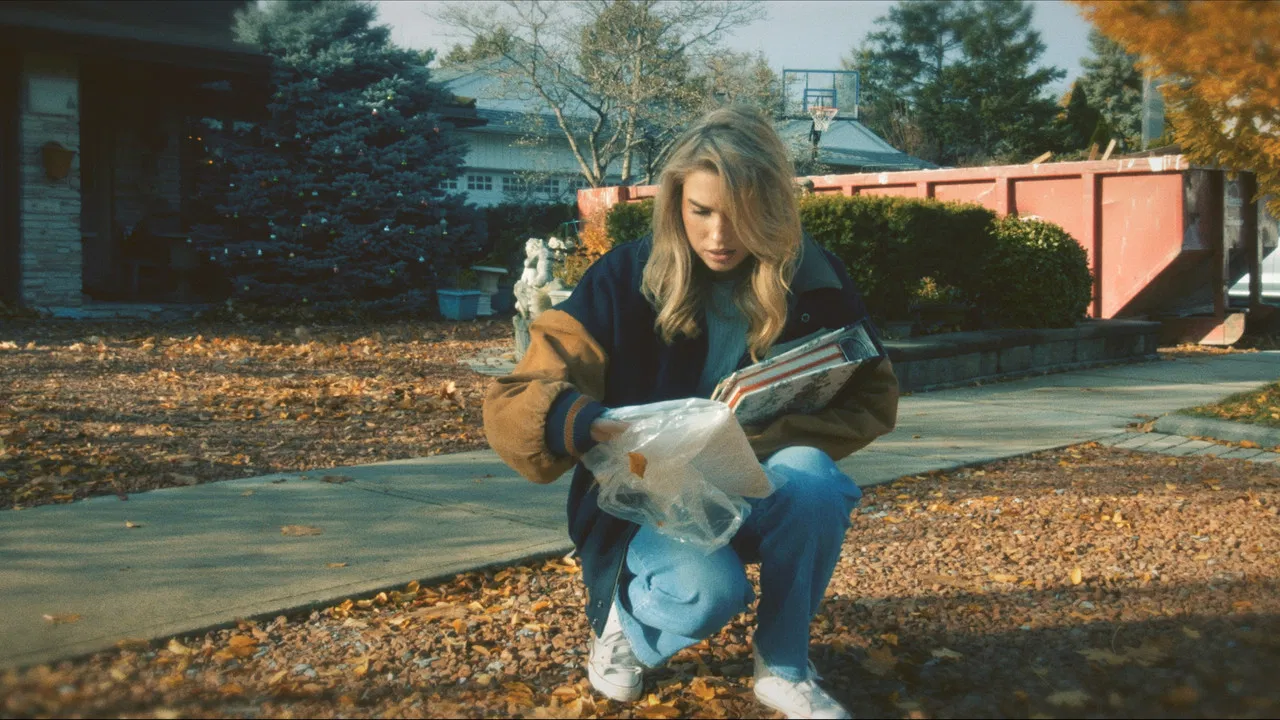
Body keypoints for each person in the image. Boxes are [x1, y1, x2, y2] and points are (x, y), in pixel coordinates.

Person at [483, 105, 898, 719]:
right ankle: (624, 629)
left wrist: (753, 437)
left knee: (812, 476)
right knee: (712, 593)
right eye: (701, 211)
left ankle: (784, 666)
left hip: (752, 483)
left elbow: (873, 397)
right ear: (676, 203)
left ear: (773, 208)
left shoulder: (814, 277)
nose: (718, 236)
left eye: (740, 214)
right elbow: (514, 400)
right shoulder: (625, 275)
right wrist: (583, 420)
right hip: (642, 497)